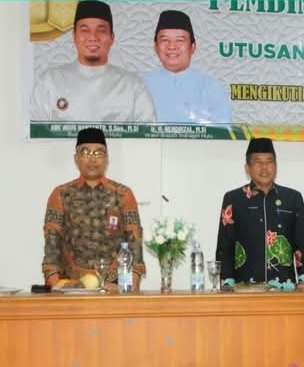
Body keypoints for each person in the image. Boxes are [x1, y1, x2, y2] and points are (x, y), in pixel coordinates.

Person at [42, 127, 146, 290]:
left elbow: (134, 243)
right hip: (71, 284)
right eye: (86, 153)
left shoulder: (123, 194)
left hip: (115, 283)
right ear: (76, 158)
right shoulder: (60, 194)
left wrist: (130, 284)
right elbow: (52, 245)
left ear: (106, 159)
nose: (92, 159)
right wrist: (55, 284)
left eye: (98, 153)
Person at [30, 0, 156, 122]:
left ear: (112, 37)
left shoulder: (132, 86)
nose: (93, 37)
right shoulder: (50, 81)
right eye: (85, 30)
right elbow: (34, 130)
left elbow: (147, 132)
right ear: (74, 36)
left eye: (101, 30)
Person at [215, 138, 304, 290]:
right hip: (245, 290)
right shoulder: (233, 199)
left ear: (276, 166)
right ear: (247, 168)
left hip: (284, 288)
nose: (264, 167)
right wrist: (227, 283)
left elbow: (303, 242)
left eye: (269, 161)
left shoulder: (293, 198)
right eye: (258, 162)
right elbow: (225, 246)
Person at [143, 10, 232, 124]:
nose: (172, 46)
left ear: (193, 47)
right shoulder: (141, 84)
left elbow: (223, 128)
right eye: (165, 40)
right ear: (155, 46)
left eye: (179, 40)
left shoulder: (210, 87)